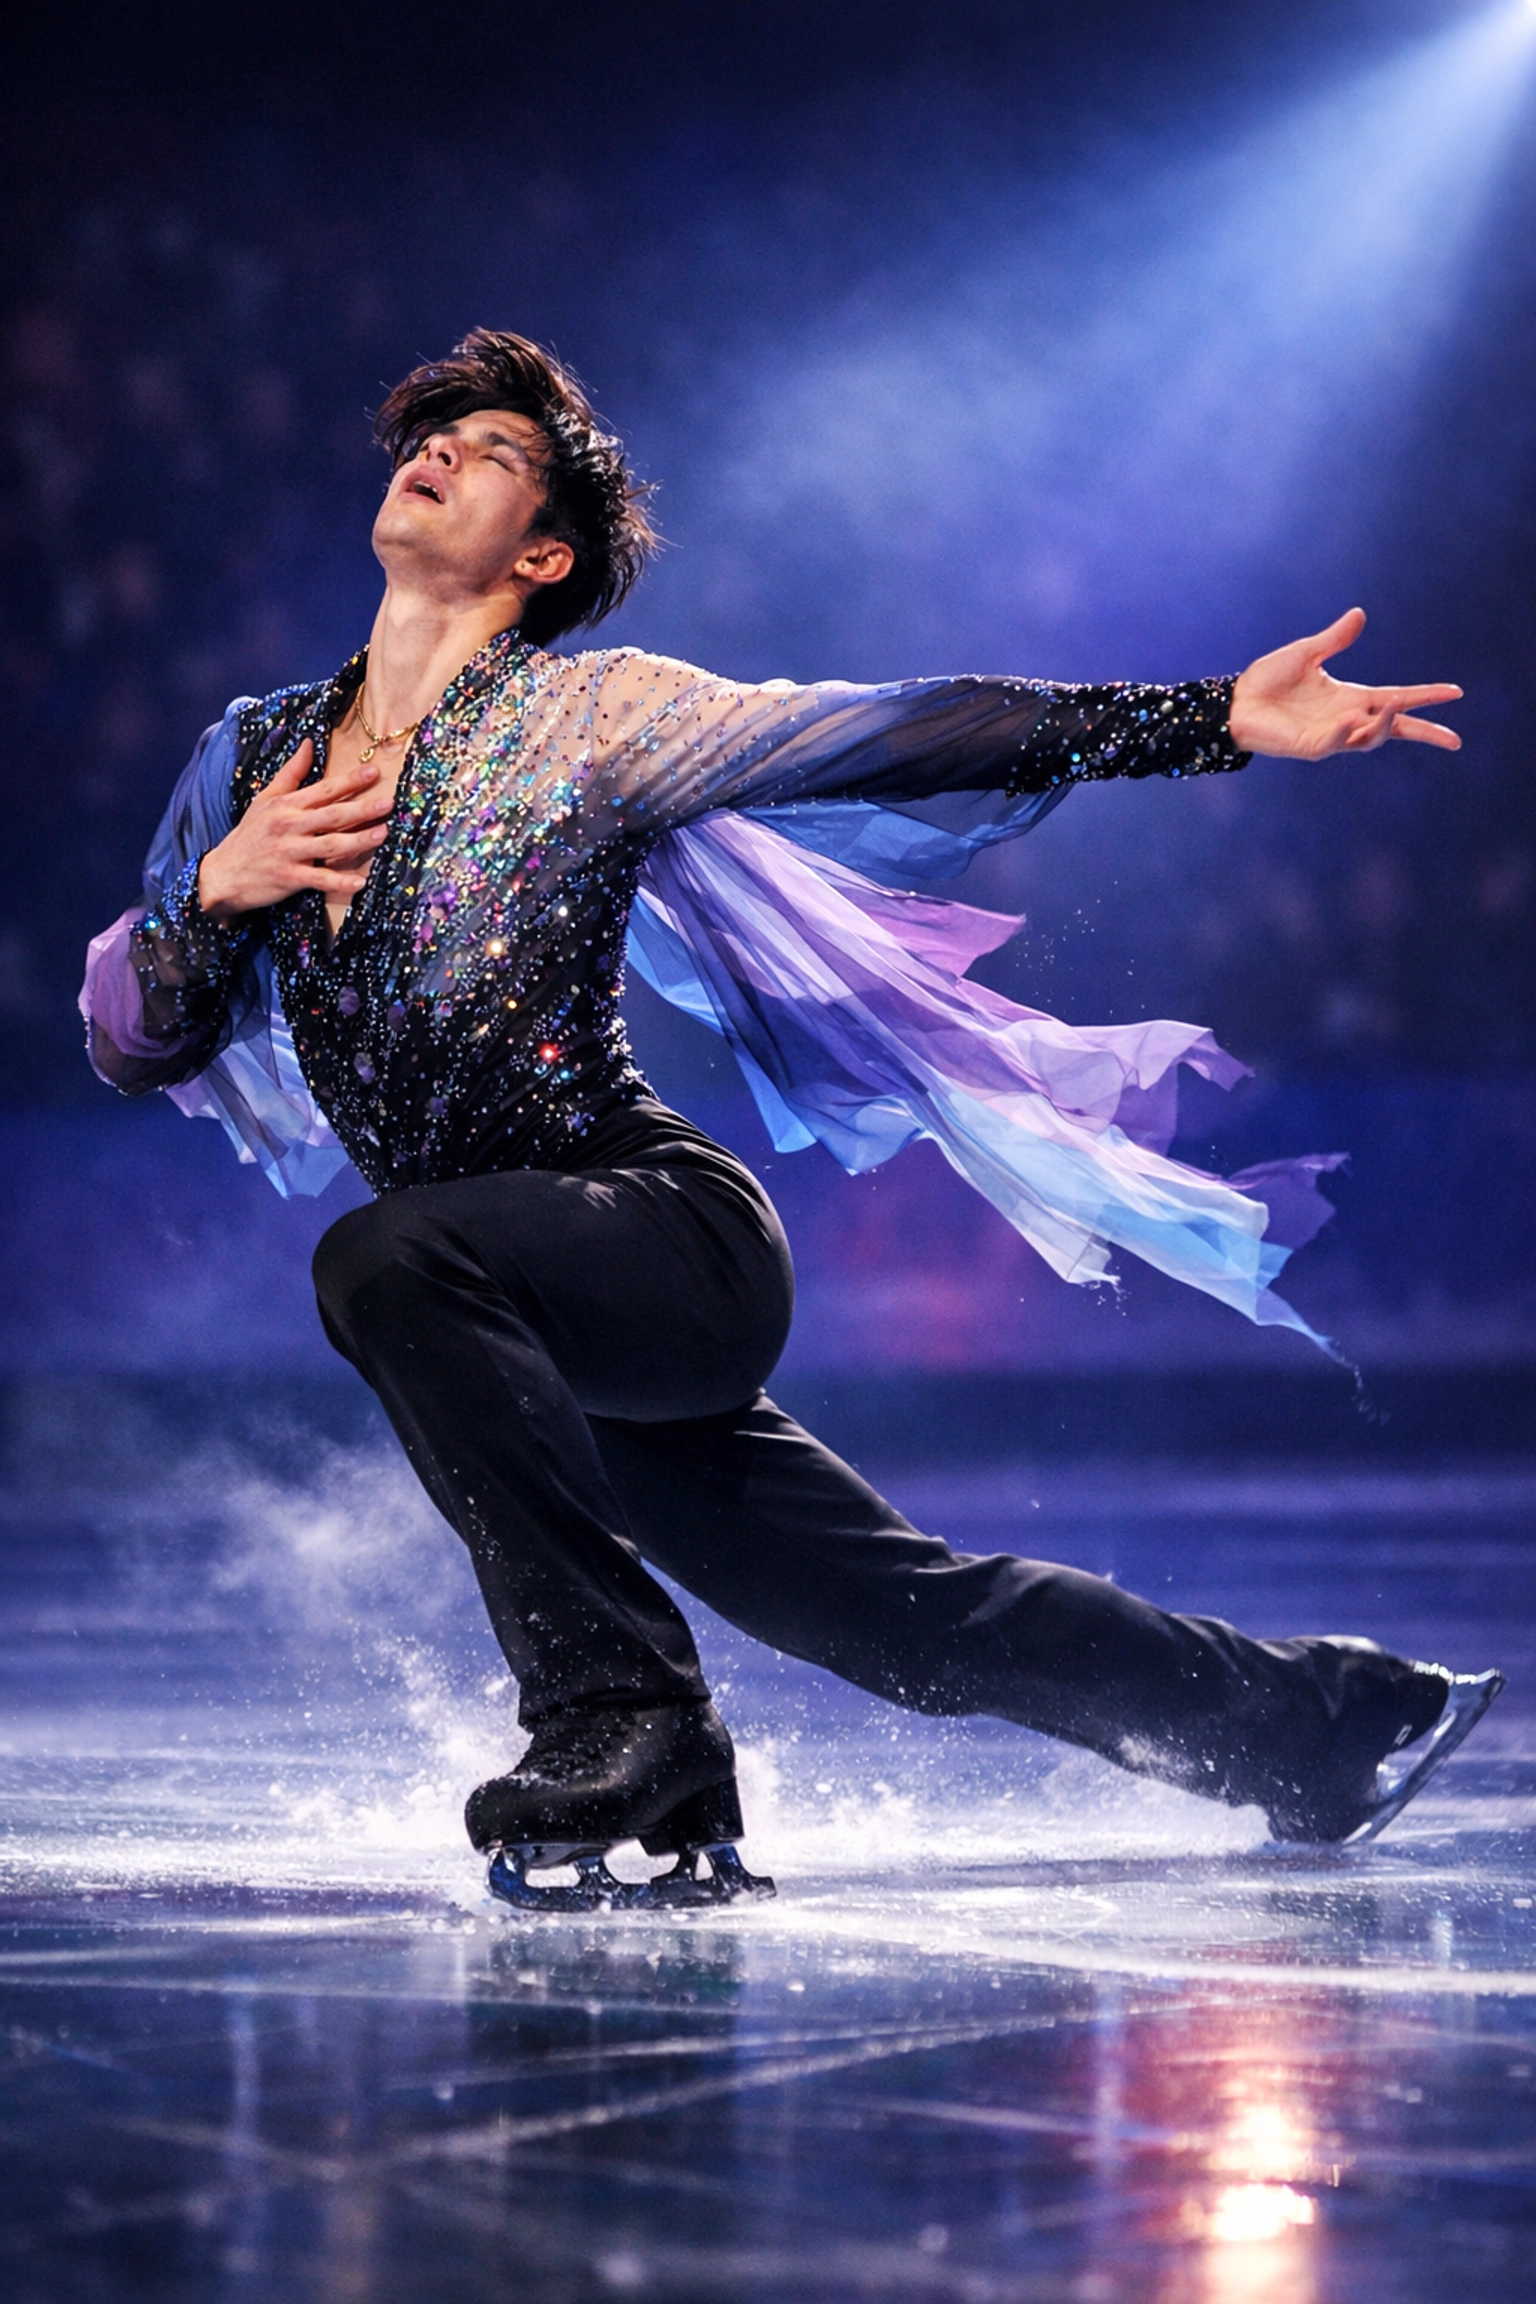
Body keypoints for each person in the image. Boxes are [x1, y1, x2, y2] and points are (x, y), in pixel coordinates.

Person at [81, 329, 1500, 1911]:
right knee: (901, 1621)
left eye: (490, 452)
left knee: (380, 1259)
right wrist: (211, 899)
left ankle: (626, 1717)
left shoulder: (595, 718)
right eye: (435, 436)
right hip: (518, 1317)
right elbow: (134, 1042)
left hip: (658, 1238)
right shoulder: (251, 757)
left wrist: (1212, 716)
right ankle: (1313, 1723)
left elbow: (906, 727)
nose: (441, 453)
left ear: (541, 553)